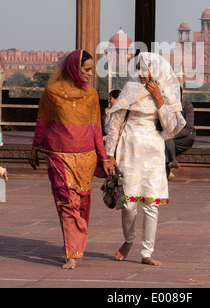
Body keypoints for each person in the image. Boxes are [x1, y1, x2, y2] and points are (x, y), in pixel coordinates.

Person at [28, 49, 116, 269]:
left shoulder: (91, 95)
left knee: (81, 203)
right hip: (59, 156)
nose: (89, 74)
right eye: (85, 70)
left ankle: (76, 244)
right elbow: (43, 121)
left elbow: (96, 129)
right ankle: (72, 253)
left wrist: (104, 158)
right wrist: (35, 149)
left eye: (91, 70)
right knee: (67, 202)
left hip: (85, 158)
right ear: (73, 69)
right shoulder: (52, 92)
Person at [105, 52, 185, 266]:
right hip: (129, 147)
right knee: (128, 203)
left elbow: (170, 127)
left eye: (145, 69)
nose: (141, 74)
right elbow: (115, 123)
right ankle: (129, 239)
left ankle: (146, 252)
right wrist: (109, 155)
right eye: (139, 68)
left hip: (152, 148)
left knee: (151, 203)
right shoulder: (130, 88)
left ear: (156, 71)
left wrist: (159, 99)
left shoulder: (166, 91)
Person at [165, 88, 196, 178]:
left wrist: (173, 136)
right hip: (170, 138)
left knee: (166, 142)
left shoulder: (187, 106)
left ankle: (167, 170)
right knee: (165, 142)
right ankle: (173, 161)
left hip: (186, 137)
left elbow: (188, 129)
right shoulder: (167, 107)